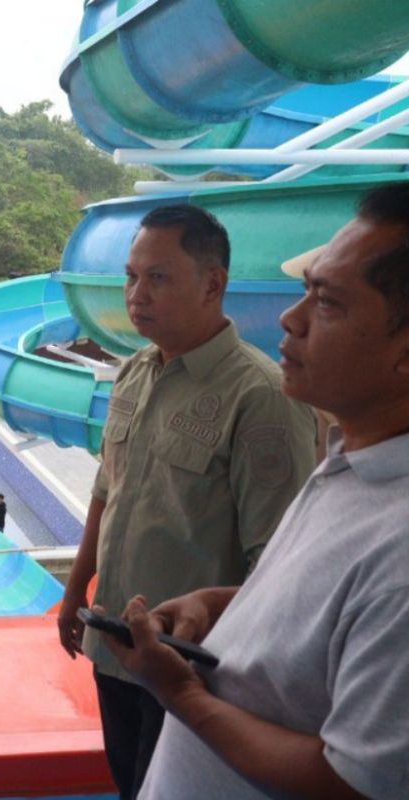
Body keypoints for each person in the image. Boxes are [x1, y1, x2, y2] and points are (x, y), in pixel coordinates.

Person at [99, 183, 409, 800]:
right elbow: (326, 602)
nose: (290, 320)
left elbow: (356, 781)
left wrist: (184, 696)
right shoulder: (352, 465)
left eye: (326, 302)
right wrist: (222, 604)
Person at [55, 204, 317, 799]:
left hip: (189, 669)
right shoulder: (133, 374)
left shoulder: (261, 398)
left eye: (159, 277)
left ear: (214, 283)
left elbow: (277, 563)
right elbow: (106, 492)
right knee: (131, 786)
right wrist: (75, 592)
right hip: (115, 648)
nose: (136, 294)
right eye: (131, 276)